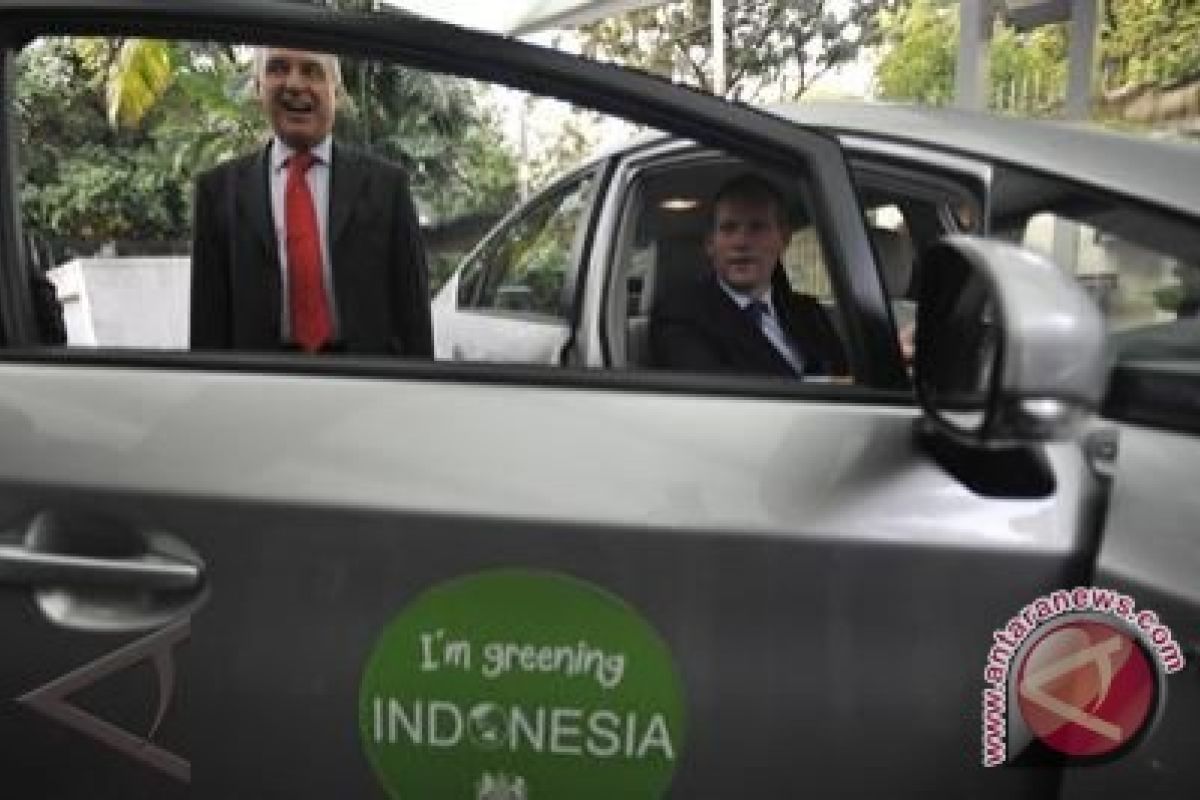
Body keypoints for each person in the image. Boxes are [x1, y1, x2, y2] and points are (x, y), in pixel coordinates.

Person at [190, 47, 432, 356]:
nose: (294, 84)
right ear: (258, 88)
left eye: (311, 71)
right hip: (258, 378)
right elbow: (207, 329)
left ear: (337, 93)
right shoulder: (217, 192)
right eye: (278, 68)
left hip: (365, 377)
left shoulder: (388, 187)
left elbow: (414, 318)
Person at [650, 173, 847, 378]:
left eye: (757, 228)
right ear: (710, 244)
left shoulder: (809, 311)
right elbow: (713, 389)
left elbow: (848, 378)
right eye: (728, 228)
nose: (741, 242)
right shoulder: (681, 313)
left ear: (784, 239)